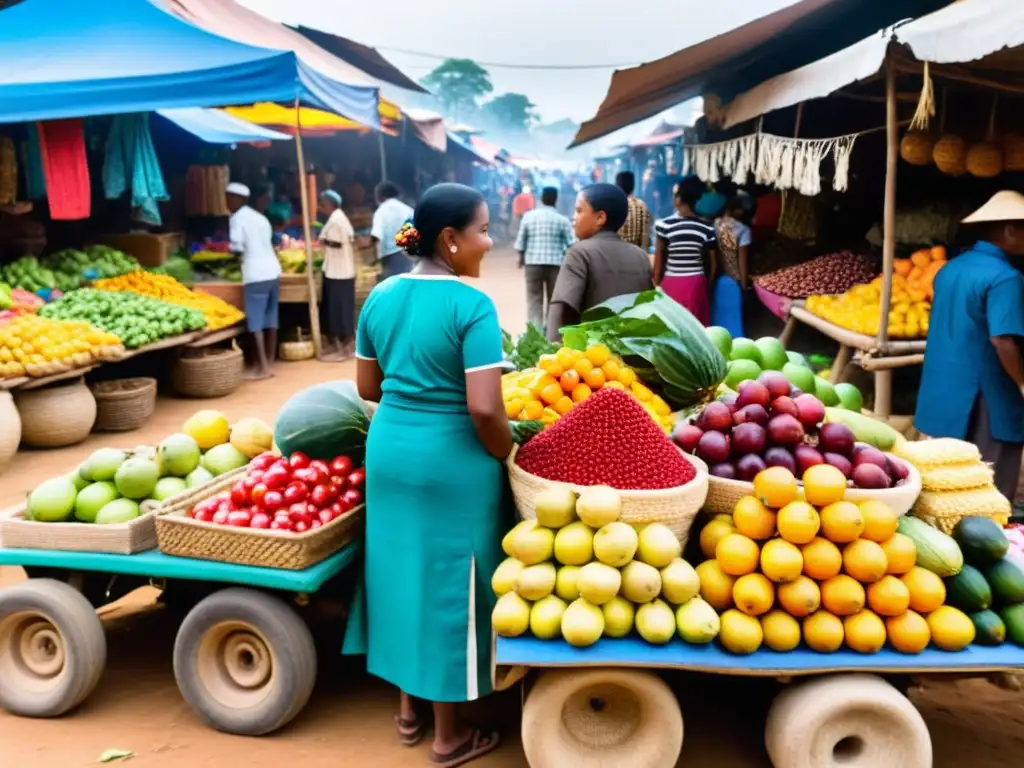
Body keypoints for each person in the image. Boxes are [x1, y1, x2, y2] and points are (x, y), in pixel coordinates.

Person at [346, 183, 511, 767]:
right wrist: (505, 451)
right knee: (453, 586)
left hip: (390, 451)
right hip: (452, 461)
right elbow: (486, 408)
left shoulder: (381, 295)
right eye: (484, 230)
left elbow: (368, 388)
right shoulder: (473, 306)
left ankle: (408, 712)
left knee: (400, 572)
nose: (490, 242)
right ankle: (449, 737)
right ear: (450, 239)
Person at [915, 191, 1024, 501]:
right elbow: (1002, 340)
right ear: (1010, 230)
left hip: (942, 389)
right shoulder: (1006, 278)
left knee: (943, 486)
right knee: (987, 491)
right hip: (986, 394)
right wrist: (1021, 383)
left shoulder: (949, 269)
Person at [546, 183, 653, 341]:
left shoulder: (579, 253)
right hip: (632, 353)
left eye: (579, 210)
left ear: (600, 218)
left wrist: (553, 348)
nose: (573, 217)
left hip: (591, 358)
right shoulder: (641, 256)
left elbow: (563, 306)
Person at [226, 182, 280, 380]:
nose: (227, 203)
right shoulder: (260, 217)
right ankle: (270, 362)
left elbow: (237, 248)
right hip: (273, 271)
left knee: (255, 322)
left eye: (228, 198)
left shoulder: (237, 218)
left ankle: (262, 369)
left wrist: (229, 260)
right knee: (271, 319)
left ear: (235, 198)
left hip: (255, 274)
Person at [654, 176, 718, 324]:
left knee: (671, 326)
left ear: (679, 199)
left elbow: (659, 264)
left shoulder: (664, 226)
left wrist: (656, 286)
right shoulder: (707, 228)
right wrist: (707, 287)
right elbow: (713, 266)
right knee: (694, 327)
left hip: (671, 282)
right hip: (696, 283)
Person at [515, 186, 575, 330]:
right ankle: (551, 332)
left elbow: (521, 242)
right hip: (555, 265)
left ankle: (535, 332)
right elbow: (571, 244)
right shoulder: (562, 220)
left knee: (534, 300)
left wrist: (521, 259)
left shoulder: (528, 217)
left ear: (541, 199)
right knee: (553, 300)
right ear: (556, 199)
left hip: (532, 264)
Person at [318, 190, 357, 360]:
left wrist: (323, 241)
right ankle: (343, 345)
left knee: (338, 311)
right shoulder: (339, 217)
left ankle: (345, 348)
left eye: (323, 205)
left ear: (328, 205)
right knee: (342, 310)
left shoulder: (336, 221)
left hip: (338, 272)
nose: (321, 208)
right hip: (340, 271)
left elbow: (337, 243)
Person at [711, 195, 752, 337]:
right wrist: (744, 284)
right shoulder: (742, 229)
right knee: (733, 321)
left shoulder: (712, 226)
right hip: (733, 281)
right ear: (737, 210)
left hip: (715, 279)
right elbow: (742, 259)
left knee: (716, 322)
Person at [371, 181, 415, 281]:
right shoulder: (407, 209)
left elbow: (376, 236)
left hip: (390, 257)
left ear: (381, 196)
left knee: (393, 287)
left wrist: (377, 258)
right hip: (408, 255)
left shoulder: (381, 212)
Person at [616, 171, 652, 251]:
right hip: (638, 256)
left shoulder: (613, 205)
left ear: (617, 185)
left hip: (616, 255)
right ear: (633, 186)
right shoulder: (642, 206)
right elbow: (646, 237)